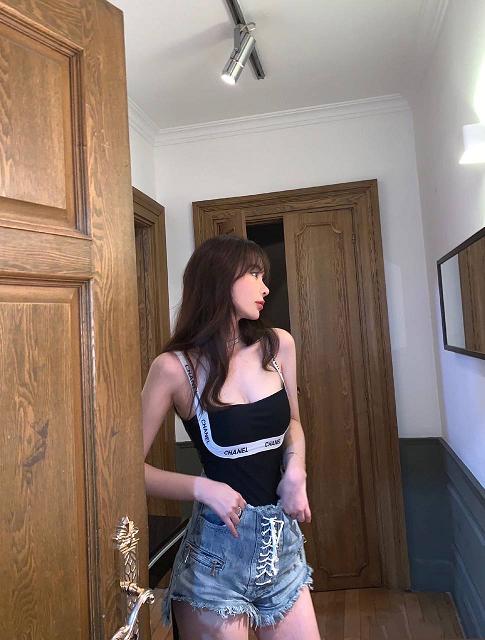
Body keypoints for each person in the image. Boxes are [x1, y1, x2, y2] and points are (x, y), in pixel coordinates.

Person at [142, 235, 320, 640]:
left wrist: (296, 471)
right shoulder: (173, 369)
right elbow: (127, 471)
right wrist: (203, 488)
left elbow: (292, 421)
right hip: (214, 559)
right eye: (255, 274)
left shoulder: (278, 345)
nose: (265, 288)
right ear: (220, 279)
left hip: (282, 548)